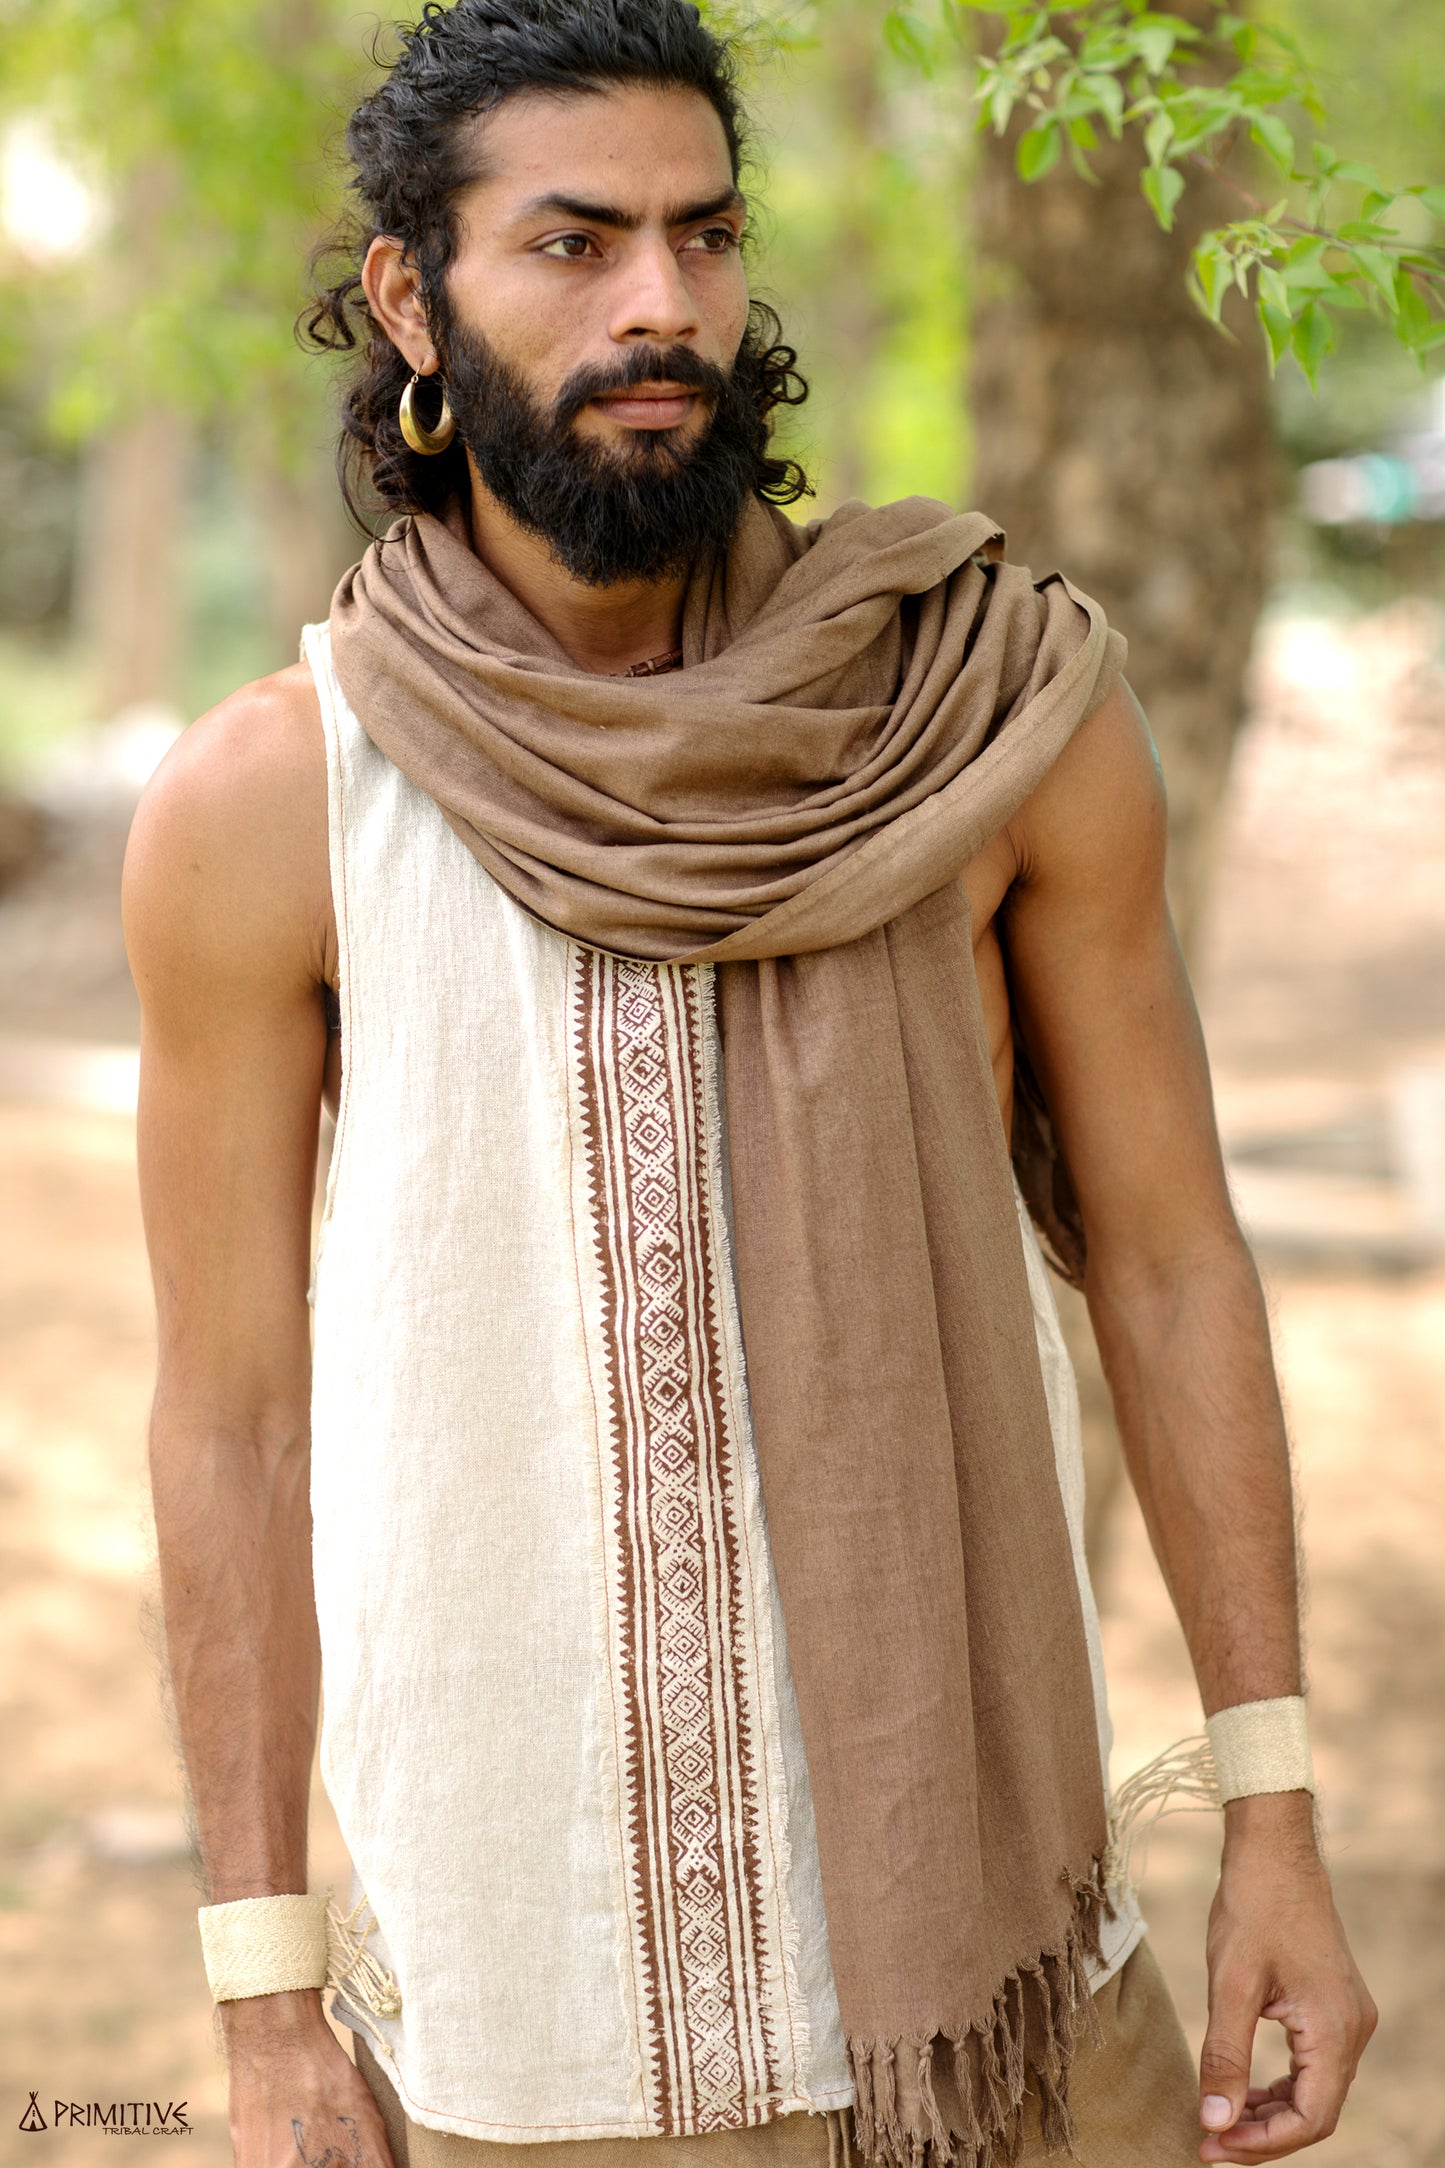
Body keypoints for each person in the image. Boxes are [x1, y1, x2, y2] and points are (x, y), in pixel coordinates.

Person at [121, 5, 1375, 2167]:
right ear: (414, 297)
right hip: (530, 2031)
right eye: (575, 242)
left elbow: (1168, 1265)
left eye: (703, 237)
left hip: (1008, 1999)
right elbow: (233, 1418)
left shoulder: (988, 708)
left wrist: (1272, 1810)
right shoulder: (273, 803)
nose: (658, 305)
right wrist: (260, 1995)